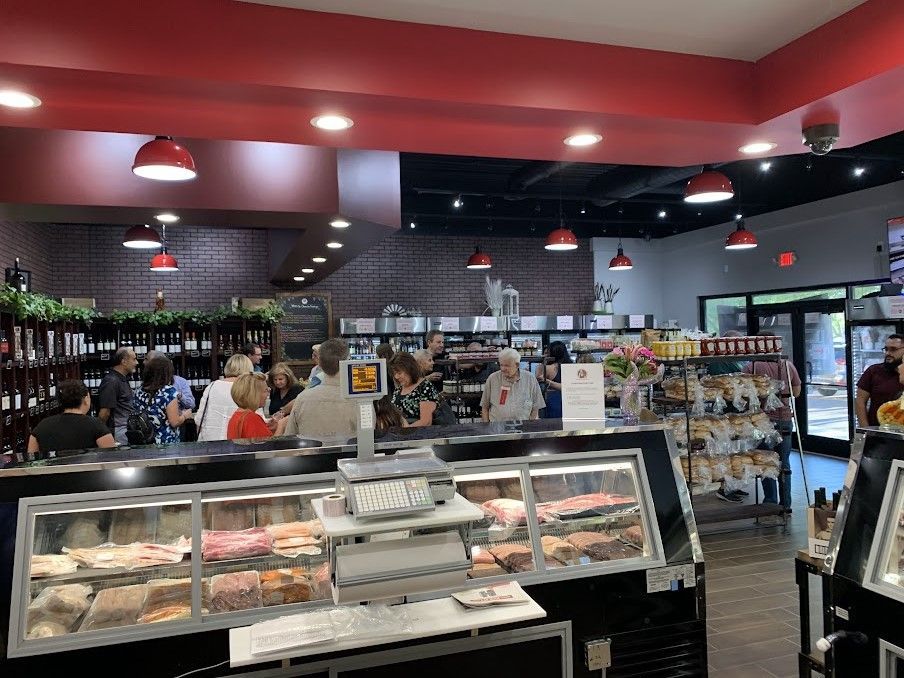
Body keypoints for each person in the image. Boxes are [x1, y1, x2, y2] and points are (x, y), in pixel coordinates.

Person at [744, 331, 802, 510]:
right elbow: (796, 392)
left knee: (765, 460)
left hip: (761, 421)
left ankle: (770, 500)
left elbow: (744, 394)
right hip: (784, 419)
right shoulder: (787, 365)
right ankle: (786, 503)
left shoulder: (752, 367)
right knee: (784, 462)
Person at [284, 339, 360, 439]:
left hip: (311, 449)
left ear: (320, 363)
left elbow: (289, 438)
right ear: (347, 362)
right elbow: (369, 436)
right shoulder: (359, 400)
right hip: (349, 450)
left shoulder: (302, 399)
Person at [28, 380, 116, 455]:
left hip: (52, 469)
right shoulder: (96, 425)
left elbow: (31, 457)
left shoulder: (42, 425)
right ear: (85, 399)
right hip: (86, 469)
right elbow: (111, 456)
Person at [133, 356, 193, 444]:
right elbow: (174, 422)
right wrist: (185, 415)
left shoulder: (139, 391)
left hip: (144, 441)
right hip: (165, 443)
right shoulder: (168, 392)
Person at [196, 354, 255, 441]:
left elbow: (199, 419)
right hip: (238, 443)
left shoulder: (212, 386)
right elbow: (257, 419)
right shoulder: (249, 389)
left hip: (210, 442)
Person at [481, 348, 545, 422]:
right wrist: (487, 426)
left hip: (523, 426)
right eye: (501, 365)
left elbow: (536, 407)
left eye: (506, 365)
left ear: (517, 365)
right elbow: (484, 407)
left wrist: (530, 425)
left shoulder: (530, 379)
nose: (502, 368)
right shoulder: (492, 379)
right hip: (497, 426)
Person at [856, 333, 904, 427]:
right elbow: (860, 400)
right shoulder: (873, 371)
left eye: (893, 349)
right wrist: (865, 428)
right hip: (876, 431)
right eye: (886, 349)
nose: (887, 353)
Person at [97, 346, 139, 445]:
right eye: (134, 359)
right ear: (123, 361)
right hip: (119, 432)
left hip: (126, 430)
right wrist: (100, 434)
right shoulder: (111, 381)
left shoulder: (121, 378)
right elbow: (104, 413)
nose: (136, 363)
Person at [227, 373, 289, 439]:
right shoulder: (251, 418)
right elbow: (270, 444)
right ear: (254, 394)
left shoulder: (237, 415)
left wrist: (268, 428)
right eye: (265, 390)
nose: (268, 395)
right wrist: (281, 426)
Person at [390, 352, 438, 427]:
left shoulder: (425, 387)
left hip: (417, 433)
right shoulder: (399, 388)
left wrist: (405, 431)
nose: (396, 377)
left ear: (409, 369)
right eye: (394, 373)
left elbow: (426, 422)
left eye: (399, 373)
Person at [536, 341, 571, 419]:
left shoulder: (547, 368)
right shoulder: (571, 367)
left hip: (552, 401)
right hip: (569, 400)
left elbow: (537, 384)